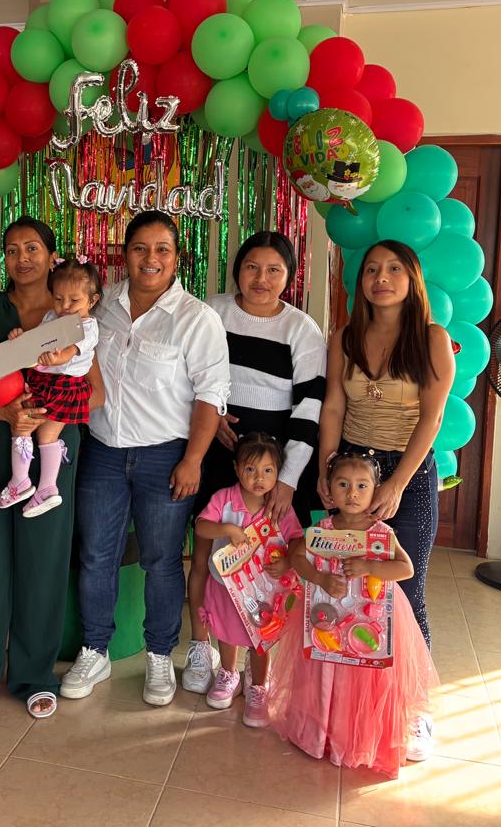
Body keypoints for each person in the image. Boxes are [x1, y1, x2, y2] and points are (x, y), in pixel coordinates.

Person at [62, 210, 230, 707]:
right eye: (140, 248)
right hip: (102, 453)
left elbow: (211, 395)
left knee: (160, 560)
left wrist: (193, 460)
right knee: (97, 555)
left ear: (177, 258)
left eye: (162, 249)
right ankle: (95, 649)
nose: (150, 259)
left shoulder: (196, 318)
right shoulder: (99, 306)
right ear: (125, 254)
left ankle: (159, 653)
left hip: (166, 457)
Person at [0, 217, 105, 720]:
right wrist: (7, 415)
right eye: (12, 250)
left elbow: (97, 393)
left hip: (53, 440)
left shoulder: (73, 317)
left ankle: (34, 676)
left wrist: (49, 415)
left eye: (32, 248)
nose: (22, 258)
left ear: (52, 256)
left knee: (43, 558)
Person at [317, 239, 454, 756]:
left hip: (407, 472)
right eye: (372, 269)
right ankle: (348, 697)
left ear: (411, 280)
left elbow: (431, 418)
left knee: (405, 588)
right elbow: (333, 406)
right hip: (351, 470)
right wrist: (328, 466)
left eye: (394, 269)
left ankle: (415, 709)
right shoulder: (345, 336)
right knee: (345, 584)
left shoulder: (432, 339)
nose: (382, 278)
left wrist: (396, 484)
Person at [182, 231, 326, 695]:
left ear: (289, 276)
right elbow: (184, 374)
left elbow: (310, 407)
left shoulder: (301, 329)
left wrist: (287, 479)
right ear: (237, 270)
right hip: (216, 449)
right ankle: (202, 647)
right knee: (206, 555)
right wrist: (211, 419)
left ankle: (256, 660)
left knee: (265, 563)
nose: (261, 279)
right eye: (251, 267)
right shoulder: (211, 312)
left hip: (272, 463)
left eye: (273, 270)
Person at [267, 452, 437, 778]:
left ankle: (358, 738)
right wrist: (318, 578)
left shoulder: (381, 533)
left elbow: (405, 568)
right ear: (329, 487)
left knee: (364, 678)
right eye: (343, 484)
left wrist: (369, 566)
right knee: (326, 671)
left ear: (375, 490)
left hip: (371, 621)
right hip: (327, 621)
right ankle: (322, 735)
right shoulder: (322, 529)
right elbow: (297, 556)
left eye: (362, 486)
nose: (352, 494)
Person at [194, 433, 302, 727]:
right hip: (225, 587)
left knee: (260, 639)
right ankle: (228, 674)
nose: (259, 478)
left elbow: (297, 539)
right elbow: (201, 527)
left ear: (278, 473)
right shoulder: (224, 499)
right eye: (250, 469)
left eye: (268, 470)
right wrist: (226, 529)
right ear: (236, 468)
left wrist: (288, 561)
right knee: (226, 632)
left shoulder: (279, 507)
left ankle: (258, 687)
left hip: (264, 590)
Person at [0, 256, 102, 517]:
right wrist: (21, 339)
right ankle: (32, 484)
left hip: (64, 387)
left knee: (40, 433)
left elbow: (70, 351)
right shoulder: (51, 316)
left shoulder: (88, 326)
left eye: (74, 301)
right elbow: (37, 342)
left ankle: (36, 485)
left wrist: (56, 358)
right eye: (58, 299)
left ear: (92, 301)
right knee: (28, 428)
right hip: (43, 382)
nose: (64, 307)